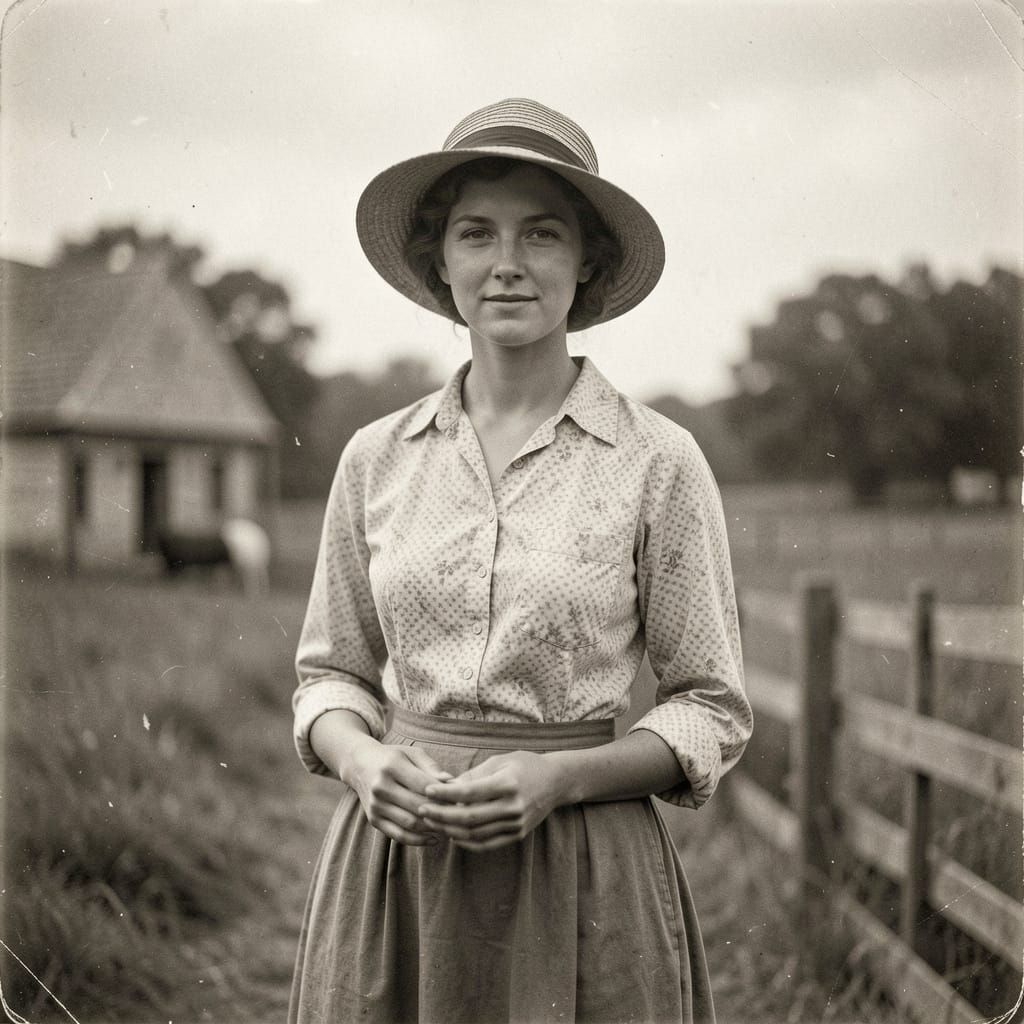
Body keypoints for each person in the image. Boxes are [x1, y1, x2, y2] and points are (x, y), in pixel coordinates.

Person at [289, 97, 752, 1024]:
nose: (507, 263)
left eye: (542, 233)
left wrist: (558, 779)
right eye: (476, 233)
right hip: (397, 874)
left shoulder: (657, 461)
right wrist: (363, 763)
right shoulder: (377, 458)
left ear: (587, 262)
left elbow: (710, 709)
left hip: (584, 875)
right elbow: (328, 677)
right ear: (440, 262)